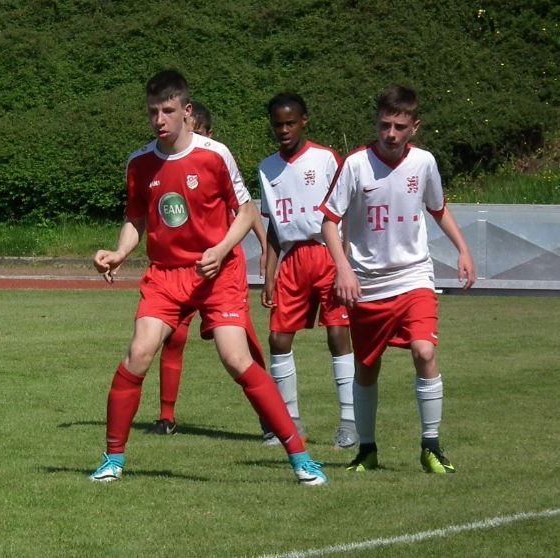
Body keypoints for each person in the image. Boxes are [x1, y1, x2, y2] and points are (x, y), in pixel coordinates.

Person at [89, 70, 326, 486]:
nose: (159, 120)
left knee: (236, 359)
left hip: (218, 273)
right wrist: (120, 252)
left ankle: (300, 456)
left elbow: (246, 211)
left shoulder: (215, 155)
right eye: (152, 112)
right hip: (166, 275)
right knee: (139, 353)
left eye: (167, 111)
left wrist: (221, 249)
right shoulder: (139, 162)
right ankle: (113, 458)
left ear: (187, 110)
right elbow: (136, 218)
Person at [319, 85, 475, 474]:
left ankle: (431, 447)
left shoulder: (424, 162)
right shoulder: (355, 164)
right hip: (368, 284)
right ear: (376, 122)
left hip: (413, 277)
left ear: (414, 127)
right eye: (385, 125)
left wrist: (463, 249)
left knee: (425, 352)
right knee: (367, 367)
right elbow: (329, 221)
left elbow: (438, 209)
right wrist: (343, 267)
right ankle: (367, 450)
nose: (391, 134)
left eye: (399, 126)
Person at [147, 100, 268, 435]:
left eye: (197, 132)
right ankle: (166, 416)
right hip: (183, 268)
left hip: (222, 267)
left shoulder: (217, 161)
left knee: (240, 345)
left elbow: (248, 211)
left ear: (208, 134)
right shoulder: (169, 164)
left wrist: (266, 247)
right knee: (173, 336)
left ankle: (268, 414)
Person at [257, 93, 356, 449]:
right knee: (278, 338)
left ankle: (349, 422)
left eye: (290, 123)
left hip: (327, 254)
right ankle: (290, 424)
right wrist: (269, 274)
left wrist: (345, 263)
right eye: (277, 125)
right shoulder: (267, 168)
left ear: (304, 122)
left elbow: (345, 212)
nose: (284, 130)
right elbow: (272, 225)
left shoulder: (325, 158)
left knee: (338, 333)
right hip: (292, 259)